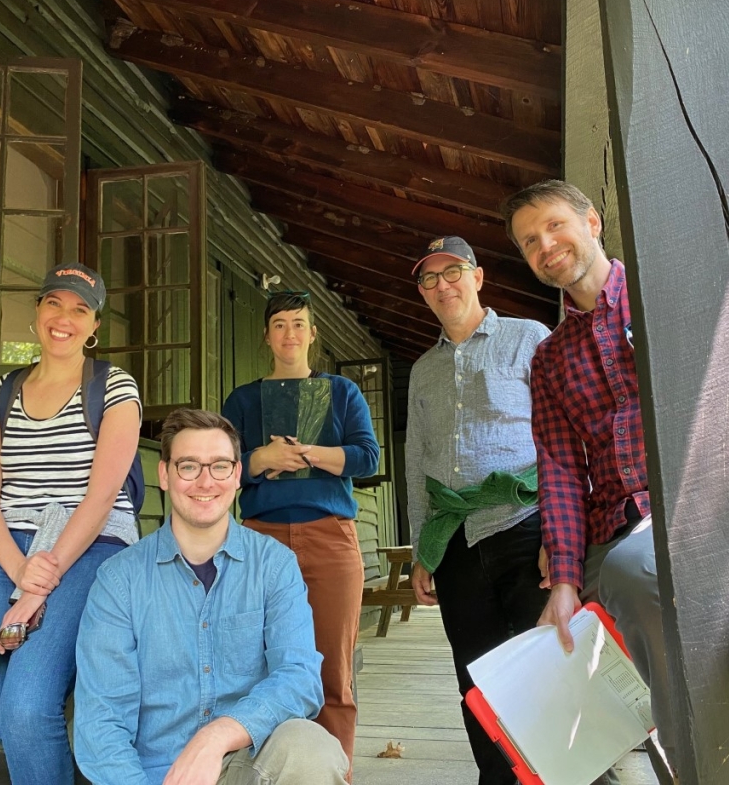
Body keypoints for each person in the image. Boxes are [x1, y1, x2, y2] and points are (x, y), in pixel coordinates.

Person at [0, 262, 141, 785]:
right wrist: (21, 569)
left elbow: (101, 495)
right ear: (37, 313)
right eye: (54, 303)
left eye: (80, 309)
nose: (64, 318)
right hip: (2, 551)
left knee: (25, 709)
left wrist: (43, 576)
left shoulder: (114, 387)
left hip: (90, 545)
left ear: (94, 326)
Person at [502, 179, 678, 783]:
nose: (545, 245)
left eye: (555, 226)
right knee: (566, 689)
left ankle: (681, 741)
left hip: (683, 512)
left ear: (593, 223)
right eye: (530, 241)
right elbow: (558, 473)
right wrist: (567, 582)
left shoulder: (661, 293)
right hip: (610, 531)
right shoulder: (549, 358)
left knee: (641, 583)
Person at [73, 407, 348, 785]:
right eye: (188, 466)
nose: (205, 481)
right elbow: (101, 719)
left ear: (237, 475)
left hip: (247, 766)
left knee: (312, 747)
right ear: (164, 475)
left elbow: (299, 677)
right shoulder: (119, 580)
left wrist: (214, 738)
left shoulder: (275, 566)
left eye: (219, 466)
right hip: (154, 775)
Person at [404, 235, 551, 785]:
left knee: (546, 670)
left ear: (479, 276)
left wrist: (560, 534)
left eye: (453, 272)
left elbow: (562, 438)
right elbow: (416, 460)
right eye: (429, 279)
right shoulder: (422, 370)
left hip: (525, 526)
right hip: (456, 540)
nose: (443, 286)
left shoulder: (528, 338)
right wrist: (425, 548)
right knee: (477, 678)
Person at [220, 290, 380, 777]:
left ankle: (334, 772)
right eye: (280, 324)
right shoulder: (243, 399)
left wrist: (311, 453)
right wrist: (259, 460)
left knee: (333, 665)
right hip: (260, 536)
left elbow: (368, 457)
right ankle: (270, 770)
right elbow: (221, 466)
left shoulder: (342, 392)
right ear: (267, 336)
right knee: (258, 663)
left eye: (299, 324)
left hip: (330, 534)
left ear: (313, 334)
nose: (290, 333)